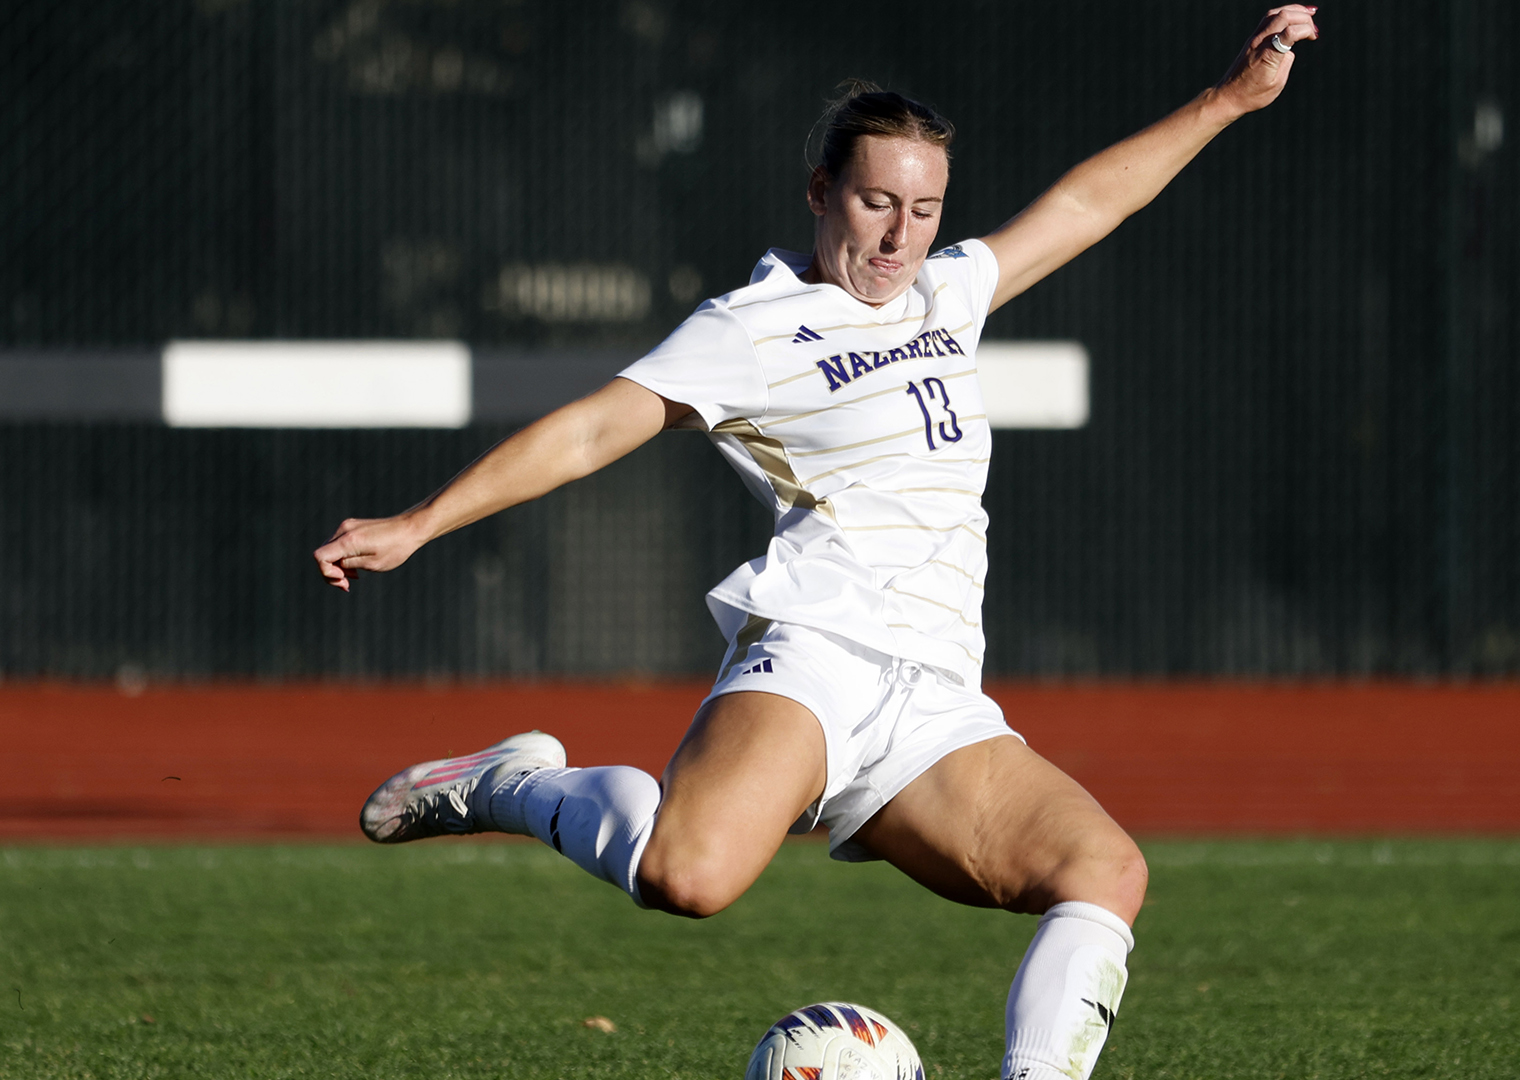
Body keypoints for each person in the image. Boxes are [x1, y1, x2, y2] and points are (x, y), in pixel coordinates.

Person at [313, 8, 1316, 1078]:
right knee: (687, 877)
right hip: (820, 647)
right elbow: (594, 430)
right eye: (877, 201)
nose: (898, 237)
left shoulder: (945, 293)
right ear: (821, 192)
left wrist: (1230, 100)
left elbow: (1087, 203)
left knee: (1105, 874)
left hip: (935, 692)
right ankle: (514, 785)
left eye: (924, 209)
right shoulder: (751, 327)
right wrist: (419, 523)